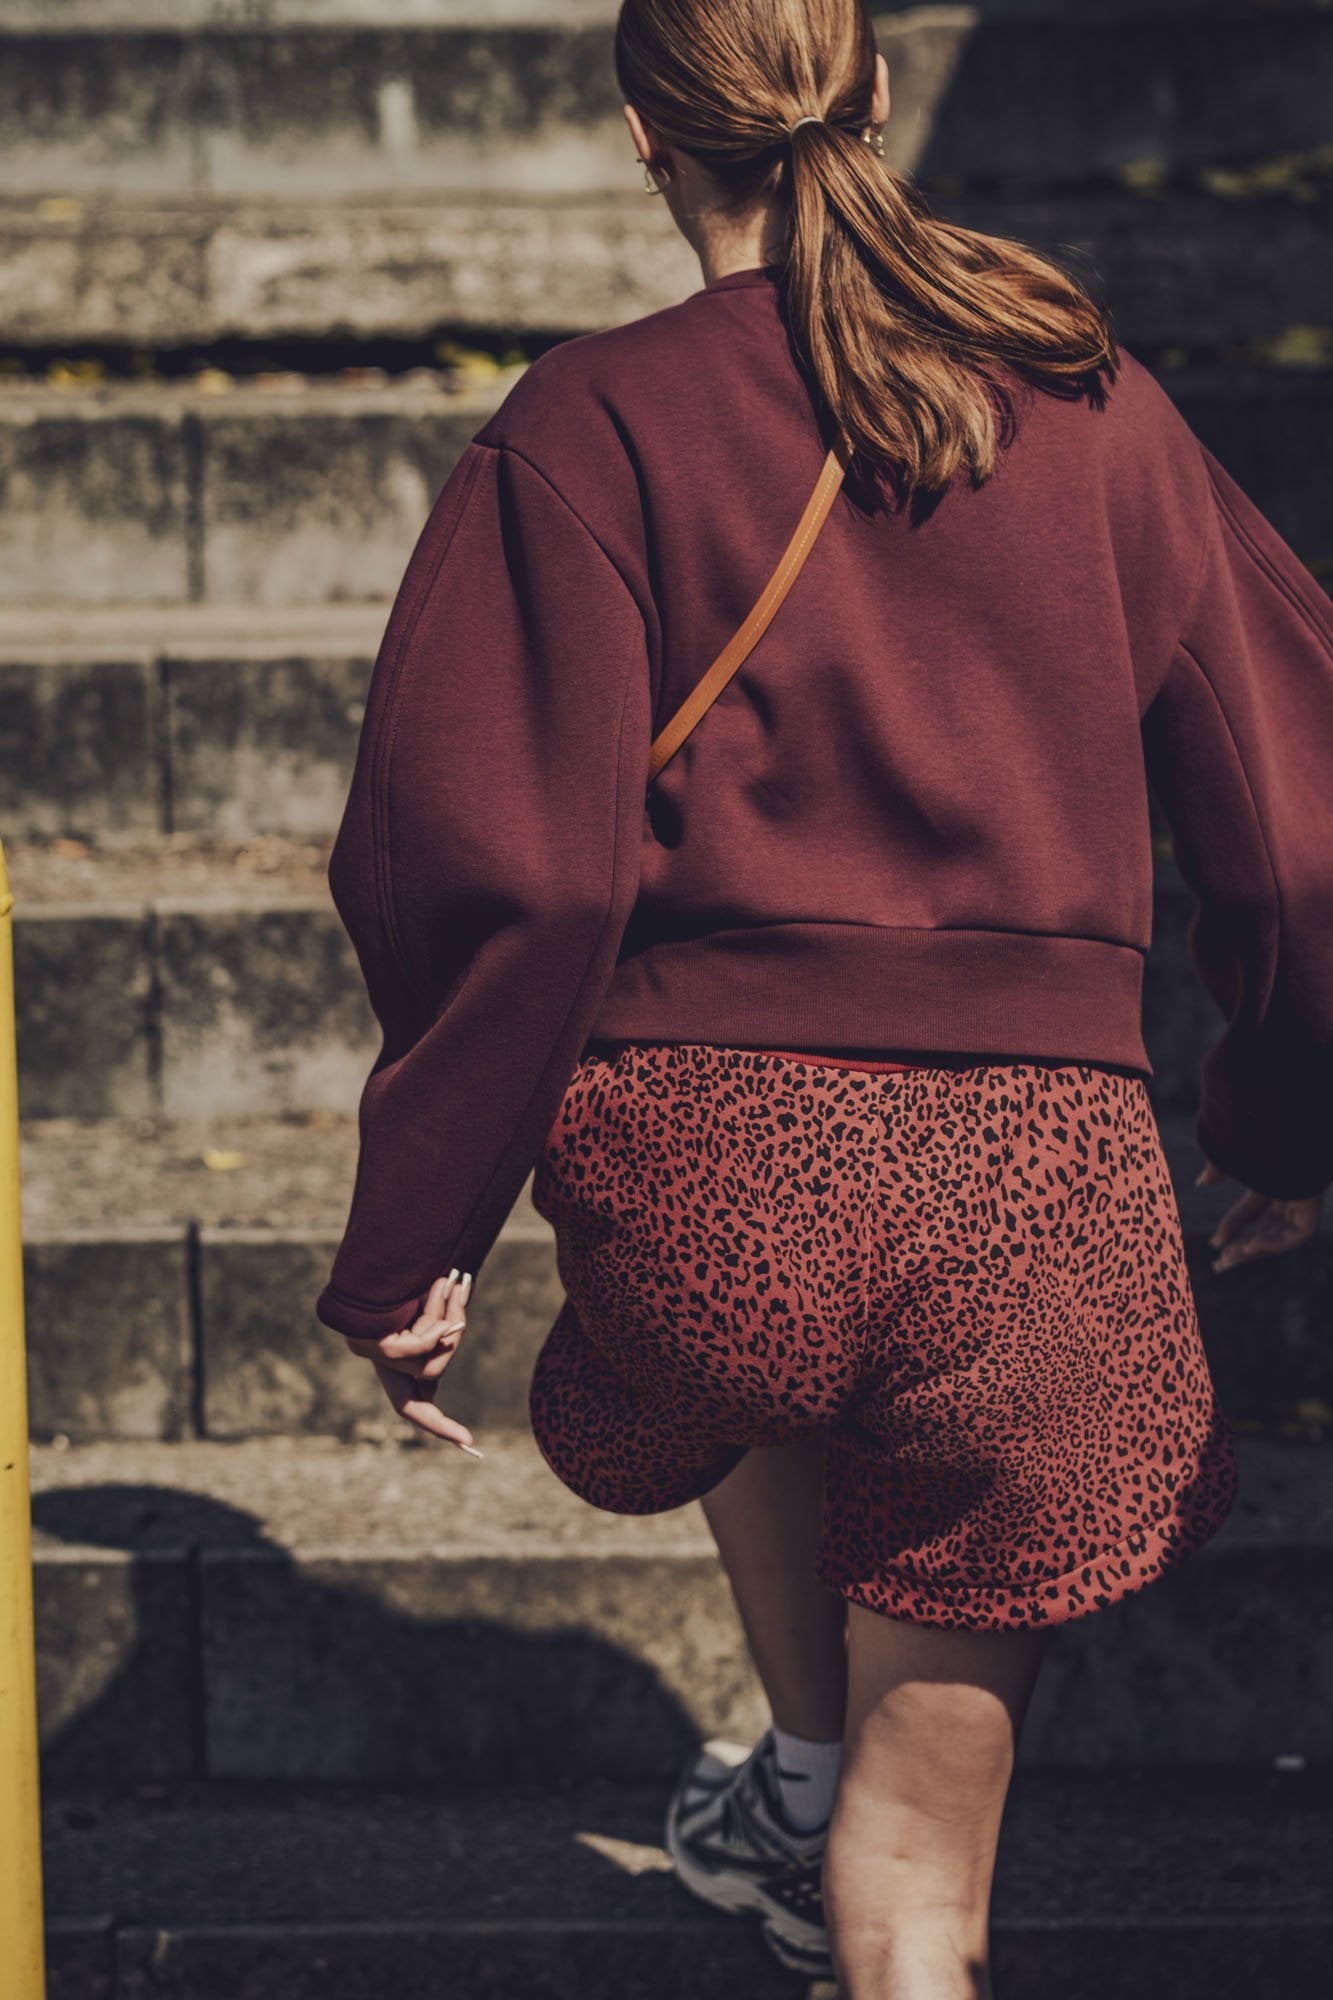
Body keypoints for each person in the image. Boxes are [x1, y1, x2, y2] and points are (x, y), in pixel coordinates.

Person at [314, 1, 1333, 1991]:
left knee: (782, 1314)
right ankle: (837, 1835)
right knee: (919, 1891)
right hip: (1040, 1190)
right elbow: (1296, 827)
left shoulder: (588, 421)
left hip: (713, 1187)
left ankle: (790, 1771)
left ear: (643, 135)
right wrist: (1281, 1122)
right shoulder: (1086, 396)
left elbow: (506, 867)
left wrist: (415, 1227)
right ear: (871, 95)